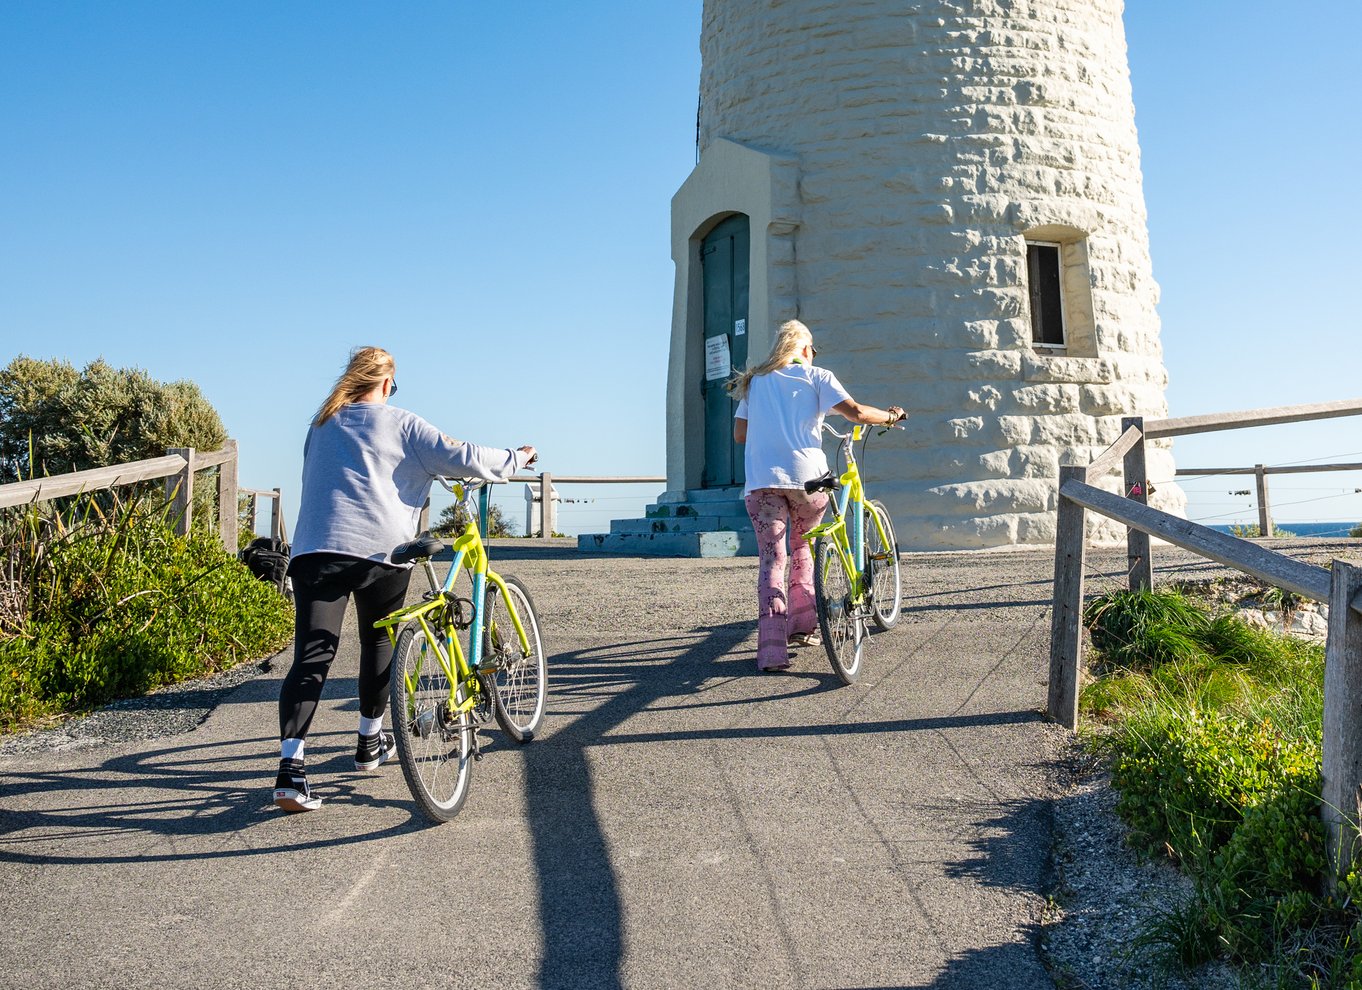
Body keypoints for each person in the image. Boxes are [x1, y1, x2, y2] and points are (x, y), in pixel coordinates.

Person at [273, 346, 536, 812]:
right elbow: (465, 456)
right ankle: (368, 740)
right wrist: (516, 457)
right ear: (388, 385)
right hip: (380, 552)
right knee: (378, 642)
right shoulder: (403, 423)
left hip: (315, 550)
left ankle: (291, 773)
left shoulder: (320, 425)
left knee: (312, 657)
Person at [730, 320, 903, 673]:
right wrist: (889, 416)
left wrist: (774, 429)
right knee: (803, 547)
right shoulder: (818, 377)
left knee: (771, 561)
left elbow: (740, 435)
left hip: (763, 482)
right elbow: (855, 413)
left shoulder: (754, 382)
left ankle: (772, 653)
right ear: (806, 349)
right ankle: (805, 626)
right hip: (807, 481)